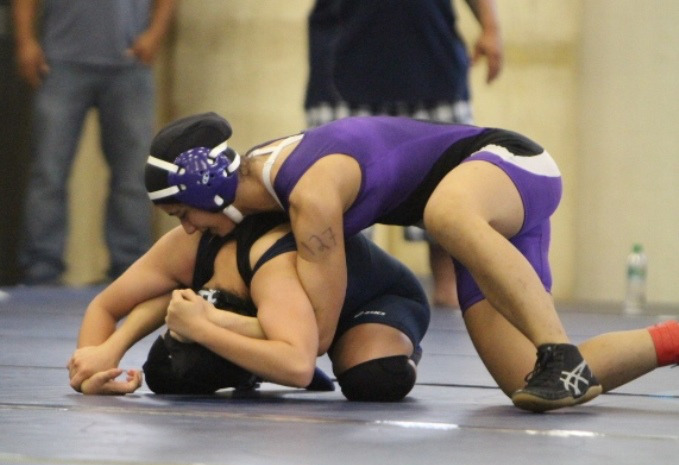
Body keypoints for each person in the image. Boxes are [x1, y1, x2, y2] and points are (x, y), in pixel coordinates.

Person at [144, 112, 679, 412]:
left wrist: (213, 325)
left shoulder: (309, 199)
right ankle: (667, 341)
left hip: (506, 165)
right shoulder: (268, 183)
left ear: (207, 190)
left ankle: (558, 352)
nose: (186, 229)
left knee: (444, 214)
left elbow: (319, 337)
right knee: (525, 380)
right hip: (486, 215)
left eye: (182, 214)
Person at [67, 209, 430, 401]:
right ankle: (257, 362)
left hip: (372, 300)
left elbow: (299, 366)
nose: (187, 227)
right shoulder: (196, 245)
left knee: (373, 379)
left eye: (183, 212)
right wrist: (99, 364)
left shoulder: (266, 254)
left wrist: (202, 327)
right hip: (294, 322)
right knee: (167, 374)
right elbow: (116, 305)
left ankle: (402, 350)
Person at [304, 0, 503, 308]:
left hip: (432, 59)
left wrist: (491, 27)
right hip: (344, 60)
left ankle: (450, 293)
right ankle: (336, 297)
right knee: (334, 198)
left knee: (450, 186)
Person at [12, 0, 176, 284]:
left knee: (133, 175)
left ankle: (130, 268)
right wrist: (25, 41)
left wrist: (155, 35)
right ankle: (41, 269)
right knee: (48, 172)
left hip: (129, 64)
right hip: (60, 62)